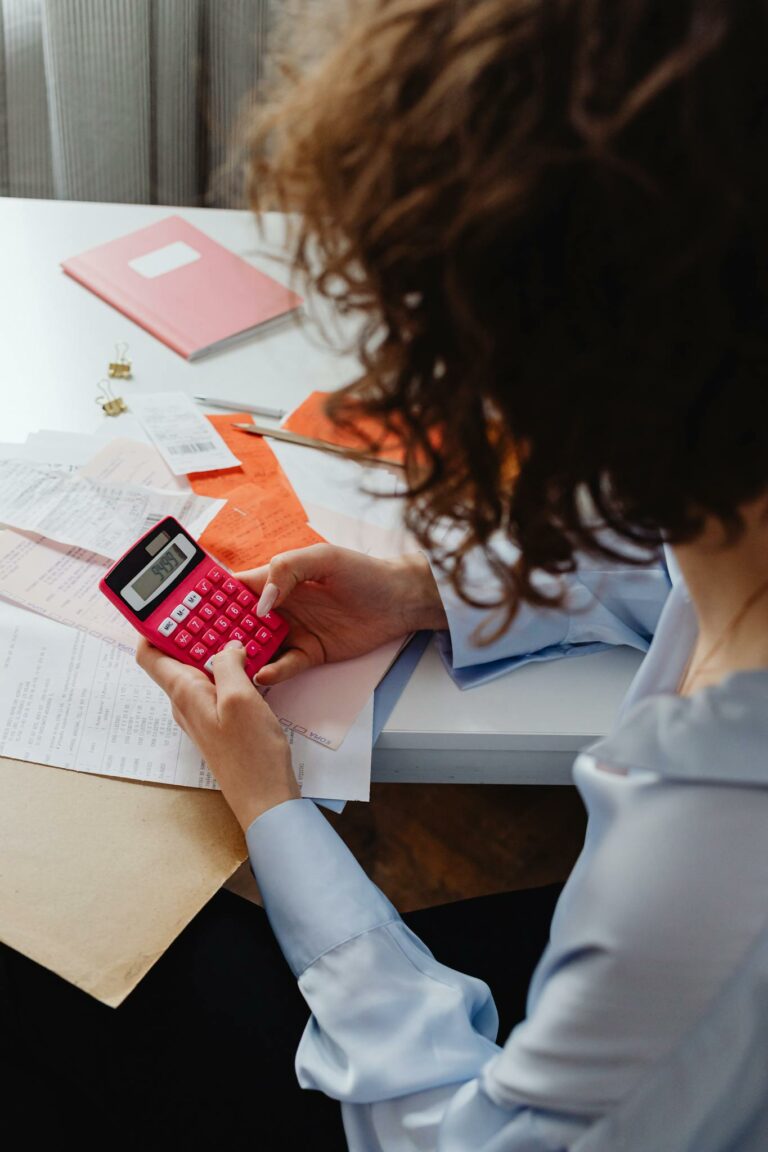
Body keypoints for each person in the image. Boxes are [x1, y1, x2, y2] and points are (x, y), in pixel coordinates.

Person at [3, 0, 768, 1147]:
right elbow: (668, 564)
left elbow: (459, 1135)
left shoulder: (707, 845)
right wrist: (426, 594)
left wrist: (273, 808)